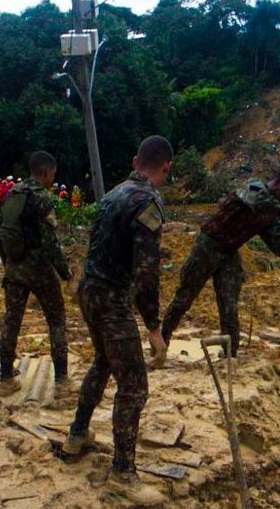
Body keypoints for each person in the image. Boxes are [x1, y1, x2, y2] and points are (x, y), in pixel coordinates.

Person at [63, 135, 172, 506]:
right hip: (111, 298)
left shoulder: (111, 195)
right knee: (135, 385)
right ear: (166, 167)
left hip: (88, 289)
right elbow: (146, 273)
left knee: (102, 361)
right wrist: (154, 328)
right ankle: (123, 473)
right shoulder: (149, 202)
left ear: (135, 159)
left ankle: (77, 434)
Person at [161, 170, 280, 358]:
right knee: (184, 299)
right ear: (277, 183)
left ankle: (230, 354)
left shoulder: (271, 214)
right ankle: (160, 342)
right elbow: (258, 202)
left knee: (229, 307)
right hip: (207, 246)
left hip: (229, 254)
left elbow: (279, 247)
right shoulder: (254, 188)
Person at [0, 151, 73, 399]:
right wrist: (65, 273)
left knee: (12, 321)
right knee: (56, 320)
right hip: (40, 271)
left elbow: (1, 234)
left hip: (15, 268)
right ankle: (61, 381)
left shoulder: (12, 194)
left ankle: (6, 378)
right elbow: (51, 244)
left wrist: (7, 264)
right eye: (53, 174)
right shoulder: (41, 199)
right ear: (47, 172)